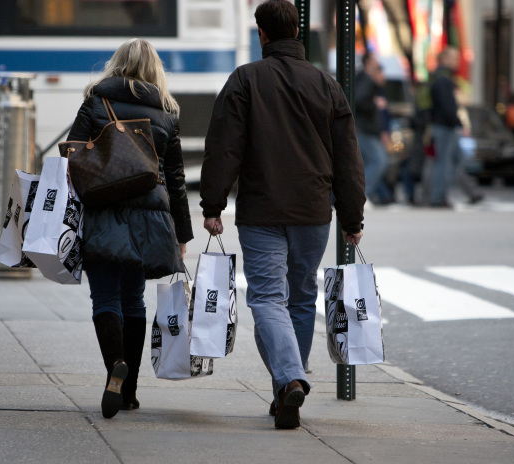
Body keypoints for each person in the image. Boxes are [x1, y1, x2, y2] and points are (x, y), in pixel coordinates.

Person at [199, 0, 365, 430]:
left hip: (262, 209)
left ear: (263, 34)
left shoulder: (245, 80)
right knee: (301, 295)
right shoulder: (326, 84)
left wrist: (213, 204)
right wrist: (352, 217)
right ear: (298, 32)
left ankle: (290, 379)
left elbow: (224, 148)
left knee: (268, 298)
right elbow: (348, 157)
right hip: (313, 212)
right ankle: (287, 388)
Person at [67, 39, 194, 419]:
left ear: (116, 64)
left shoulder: (95, 101)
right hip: (149, 218)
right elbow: (176, 179)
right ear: (155, 69)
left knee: (105, 299)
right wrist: (182, 233)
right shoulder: (167, 113)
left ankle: (115, 368)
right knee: (134, 300)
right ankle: (130, 391)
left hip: (103, 210)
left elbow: (72, 154)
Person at [429, 46, 476, 207]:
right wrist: (459, 124)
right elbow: (448, 105)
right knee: (444, 162)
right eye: (454, 58)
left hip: (443, 125)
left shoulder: (439, 76)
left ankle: (440, 195)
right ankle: (438, 197)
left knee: (452, 160)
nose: (456, 62)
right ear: (445, 59)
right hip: (445, 126)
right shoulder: (444, 78)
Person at [354, 52, 389, 204]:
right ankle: (362, 196)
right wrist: (374, 103)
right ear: (368, 62)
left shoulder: (367, 80)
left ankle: (361, 196)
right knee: (379, 160)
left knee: (367, 163)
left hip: (366, 128)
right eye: (375, 59)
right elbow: (359, 100)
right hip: (363, 128)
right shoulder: (365, 80)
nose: (377, 62)